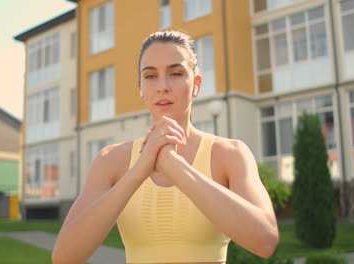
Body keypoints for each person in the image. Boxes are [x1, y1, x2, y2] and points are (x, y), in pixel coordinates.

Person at [52, 30, 279, 264]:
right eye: (150, 76)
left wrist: (176, 167)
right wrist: (139, 171)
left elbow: (265, 240)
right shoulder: (111, 160)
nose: (162, 86)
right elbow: (64, 256)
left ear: (196, 84)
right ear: (141, 87)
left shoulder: (230, 154)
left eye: (176, 73)